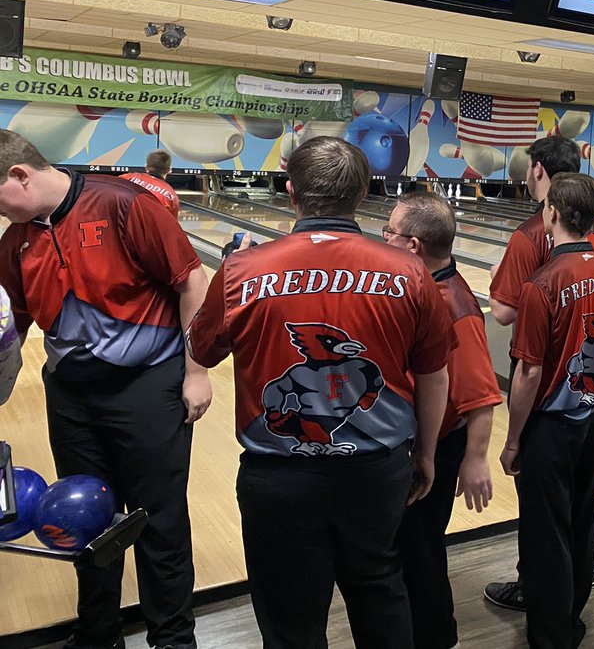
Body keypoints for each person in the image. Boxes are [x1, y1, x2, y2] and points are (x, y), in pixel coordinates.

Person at [187, 137, 452, 649]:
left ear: (290, 194)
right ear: (363, 195)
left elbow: (202, 347)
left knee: (291, 619)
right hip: (377, 472)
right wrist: (427, 453)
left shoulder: (244, 270)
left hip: (279, 479)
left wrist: (226, 273)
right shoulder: (413, 272)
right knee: (379, 589)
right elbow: (434, 374)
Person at [0, 128, 210, 649]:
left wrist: (197, 370)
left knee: (157, 518)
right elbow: (14, 322)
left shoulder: (123, 205)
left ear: (20, 175)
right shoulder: (15, 240)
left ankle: (173, 639)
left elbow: (191, 282)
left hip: (147, 386)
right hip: (71, 393)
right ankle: (98, 635)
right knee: (85, 514)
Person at [486, 135, 594, 610]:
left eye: (527, 168)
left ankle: (542, 594)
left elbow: (503, 315)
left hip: (545, 392)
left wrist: (511, 438)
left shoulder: (529, 238)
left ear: (541, 172)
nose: (525, 176)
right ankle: (576, 582)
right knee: (581, 505)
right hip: (590, 399)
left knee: (542, 512)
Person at [386, 192, 502, 649]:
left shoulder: (454, 306)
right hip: (419, 442)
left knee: (419, 550)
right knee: (405, 546)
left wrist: (475, 459)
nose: (383, 237)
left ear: (413, 246)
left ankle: (436, 637)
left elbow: (481, 394)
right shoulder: (422, 288)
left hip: (439, 446)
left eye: (389, 231)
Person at [119, 148, 180, 217]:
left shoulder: (124, 178)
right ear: (169, 170)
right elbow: (170, 225)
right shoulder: (171, 196)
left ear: (146, 167)